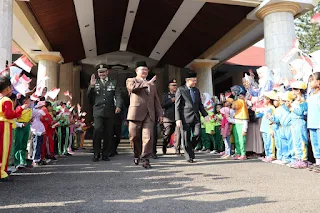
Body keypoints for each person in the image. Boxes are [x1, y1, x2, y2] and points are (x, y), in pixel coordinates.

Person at [126, 61, 163, 169]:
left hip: (149, 114)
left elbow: (156, 100)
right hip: (135, 113)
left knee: (148, 137)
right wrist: (146, 83)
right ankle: (136, 154)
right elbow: (132, 88)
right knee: (134, 136)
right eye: (143, 70)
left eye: (146, 70)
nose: (145, 72)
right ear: (137, 71)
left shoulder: (152, 85)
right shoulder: (131, 80)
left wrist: (160, 114)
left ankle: (145, 159)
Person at [87, 63, 122, 162]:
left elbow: (118, 95)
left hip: (110, 111)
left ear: (107, 72)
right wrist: (91, 86)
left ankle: (105, 154)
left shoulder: (113, 82)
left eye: (103, 72)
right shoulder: (95, 82)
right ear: (98, 73)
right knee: (97, 131)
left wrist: (118, 105)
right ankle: (96, 154)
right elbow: (89, 97)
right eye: (100, 72)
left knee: (108, 133)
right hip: (98, 111)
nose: (102, 74)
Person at [0, 74, 29, 182]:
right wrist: (21, 108)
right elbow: (9, 115)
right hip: (4, 125)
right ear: (7, 88)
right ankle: (2, 172)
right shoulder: (6, 100)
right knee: (4, 149)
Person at [175, 72, 209, 163]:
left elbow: (200, 104)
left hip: (196, 117)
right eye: (193, 80)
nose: (195, 82)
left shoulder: (196, 90)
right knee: (186, 138)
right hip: (184, 118)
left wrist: (205, 115)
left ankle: (191, 148)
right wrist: (177, 119)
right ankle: (189, 157)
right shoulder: (180, 90)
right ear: (187, 80)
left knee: (198, 134)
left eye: (196, 80)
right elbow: (177, 106)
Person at [289, 81, 308, 169]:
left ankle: (303, 160)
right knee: (296, 141)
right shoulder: (295, 101)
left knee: (302, 141)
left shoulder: (303, 101)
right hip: (294, 122)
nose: (293, 91)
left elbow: (300, 112)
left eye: (294, 89)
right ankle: (298, 159)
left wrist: (291, 108)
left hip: (300, 122)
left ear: (299, 90)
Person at [162, 79, 180, 155]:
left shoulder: (179, 94)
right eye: (173, 85)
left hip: (178, 117)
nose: (174, 86)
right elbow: (162, 104)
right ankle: (164, 145)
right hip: (168, 117)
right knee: (167, 133)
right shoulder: (166, 95)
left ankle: (177, 149)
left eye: (175, 85)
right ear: (169, 86)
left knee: (178, 133)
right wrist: (171, 100)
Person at [307, 72, 320, 172]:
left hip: (318, 123)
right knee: (315, 143)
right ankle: (317, 162)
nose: (310, 83)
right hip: (312, 122)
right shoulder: (311, 94)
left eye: (312, 80)